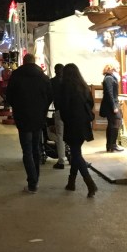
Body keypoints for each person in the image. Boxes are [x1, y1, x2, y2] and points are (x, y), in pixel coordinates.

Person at [5, 54, 53, 193]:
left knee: (27, 150)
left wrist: (18, 107)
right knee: (35, 148)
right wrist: (43, 108)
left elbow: (10, 96)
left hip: (23, 116)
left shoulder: (17, 75)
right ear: (34, 62)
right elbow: (50, 95)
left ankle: (32, 182)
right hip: (38, 117)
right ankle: (35, 178)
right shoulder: (43, 77)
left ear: (24, 62)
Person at [55, 64, 98, 197]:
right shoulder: (84, 86)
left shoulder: (66, 87)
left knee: (76, 154)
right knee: (75, 152)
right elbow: (90, 103)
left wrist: (65, 118)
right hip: (83, 124)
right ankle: (71, 182)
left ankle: (90, 183)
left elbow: (63, 106)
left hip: (72, 124)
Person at [99, 64, 123, 152]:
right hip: (110, 105)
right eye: (117, 67)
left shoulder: (111, 77)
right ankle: (112, 144)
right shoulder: (109, 78)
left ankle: (110, 145)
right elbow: (109, 93)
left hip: (112, 103)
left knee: (112, 124)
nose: (119, 68)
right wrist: (114, 106)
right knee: (115, 123)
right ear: (111, 68)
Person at [48, 64, 67, 170]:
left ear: (55, 71)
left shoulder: (52, 82)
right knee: (69, 135)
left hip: (59, 110)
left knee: (60, 136)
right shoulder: (68, 81)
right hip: (69, 112)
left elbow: (49, 97)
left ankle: (61, 160)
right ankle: (73, 157)